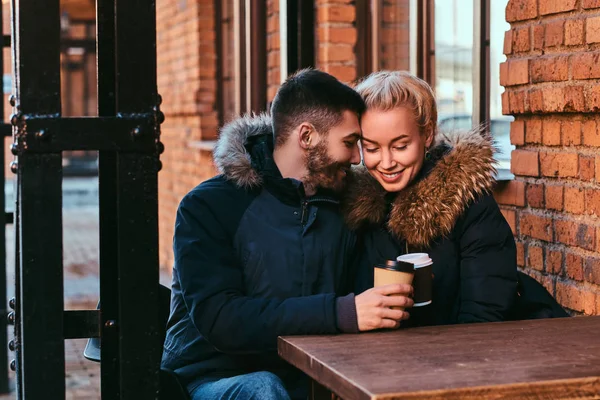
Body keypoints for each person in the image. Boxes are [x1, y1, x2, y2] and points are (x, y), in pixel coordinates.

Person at [161, 69, 413, 400]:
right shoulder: (208, 206)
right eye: (350, 143)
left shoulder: (345, 208)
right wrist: (341, 313)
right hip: (211, 379)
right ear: (306, 136)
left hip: (312, 377)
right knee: (263, 389)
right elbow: (223, 320)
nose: (357, 159)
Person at [345, 70, 518, 326]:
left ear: (426, 135)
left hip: (457, 356)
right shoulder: (354, 207)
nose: (387, 162)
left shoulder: (467, 200)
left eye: (400, 146)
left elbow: (484, 310)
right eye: (371, 148)